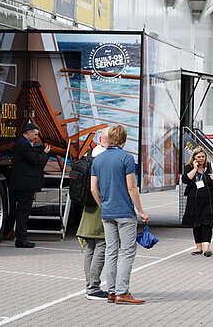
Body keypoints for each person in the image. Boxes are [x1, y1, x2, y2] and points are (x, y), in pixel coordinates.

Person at [91, 124, 149, 305]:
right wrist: (140, 210)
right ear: (124, 139)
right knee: (128, 252)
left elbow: (94, 189)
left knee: (111, 251)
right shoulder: (127, 158)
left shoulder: (98, 160)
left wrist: (102, 205)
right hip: (124, 212)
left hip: (107, 212)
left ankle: (111, 291)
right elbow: (132, 187)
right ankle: (122, 292)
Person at [76, 127, 110, 301]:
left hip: (87, 205)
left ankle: (89, 286)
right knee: (102, 244)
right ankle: (94, 288)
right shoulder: (105, 158)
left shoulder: (89, 154)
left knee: (89, 246)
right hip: (100, 204)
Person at [6, 123, 50, 248]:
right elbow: (35, 160)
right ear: (29, 132)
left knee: (21, 211)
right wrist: (45, 153)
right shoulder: (23, 144)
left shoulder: (22, 143)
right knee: (23, 212)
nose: (36, 137)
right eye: (35, 134)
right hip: (24, 185)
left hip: (22, 184)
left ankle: (20, 237)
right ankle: (21, 239)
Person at [182, 147, 213, 257]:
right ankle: (198, 248)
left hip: (210, 201)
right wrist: (195, 169)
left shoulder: (212, 166)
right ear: (194, 158)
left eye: (203, 156)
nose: (201, 159)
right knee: (196, 225)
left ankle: (207, 249)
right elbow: (185, 180)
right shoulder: (189, 167)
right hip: (194, 202)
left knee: (207, 224)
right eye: (198, 157)